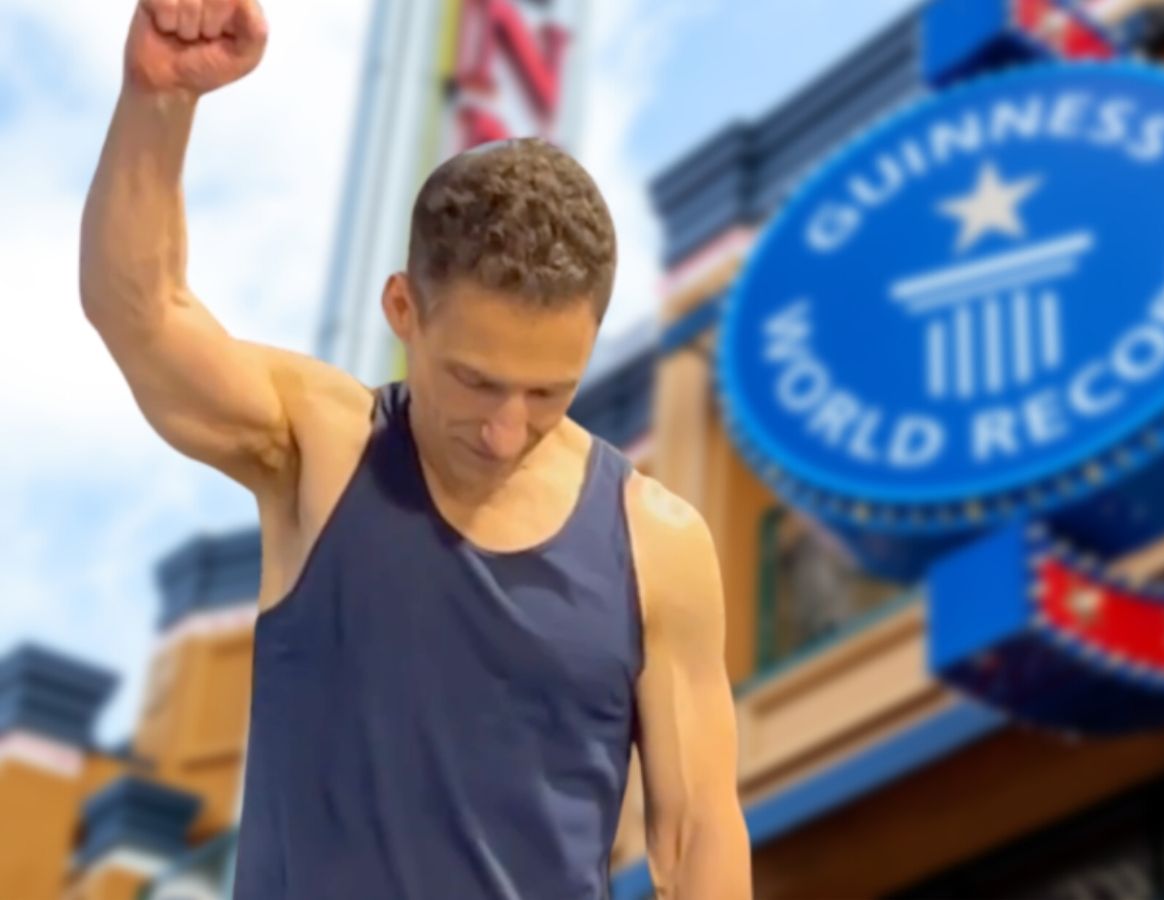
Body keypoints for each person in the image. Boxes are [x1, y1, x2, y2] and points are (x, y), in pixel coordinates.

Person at [81, 1, 752, 896]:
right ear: (403, 311)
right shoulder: (321, 450)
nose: (506, 428)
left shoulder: (657, 544)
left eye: (550, 392)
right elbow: (143, 314)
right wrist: (158, 99)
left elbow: (699, 835)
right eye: (475, 381)